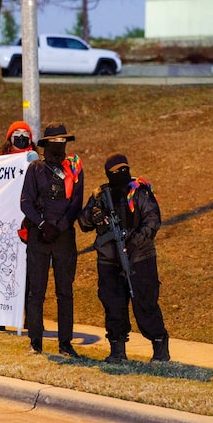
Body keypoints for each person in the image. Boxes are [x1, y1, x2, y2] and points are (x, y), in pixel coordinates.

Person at [78, 153, 170, 363]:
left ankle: (159, 345)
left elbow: (153, 220)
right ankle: (117, 350)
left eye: (124, 170)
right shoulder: (100, 195)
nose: (121, 175)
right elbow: (84, 223)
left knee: (145, 303)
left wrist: (132, 242)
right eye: (115, 172)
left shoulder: (139, 192)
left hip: (140, 258)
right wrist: (95, 215)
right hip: (109, 261)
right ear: (107, 174)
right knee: (113, 305)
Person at [20, 123, 84, 357]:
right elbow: (25, 201)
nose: (59, 146)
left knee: (65, 292)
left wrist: (61, 226)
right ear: (46, 145)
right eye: (54, 142)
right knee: (36, 292)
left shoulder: (74, 168)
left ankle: (65, 343)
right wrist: (42, 224)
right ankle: (35, 342)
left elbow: (77, 201)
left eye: (62, 142)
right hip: (39, 236)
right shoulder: (35, 169)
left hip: (64, 237)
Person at [0, 121, 39, 332]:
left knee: (28, 274)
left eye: (26, 134)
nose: (22, 137)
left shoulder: (36, 163)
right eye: (17, 133)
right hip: (2, 228)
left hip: (26, 226)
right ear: (9, 137)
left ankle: (31, 320)